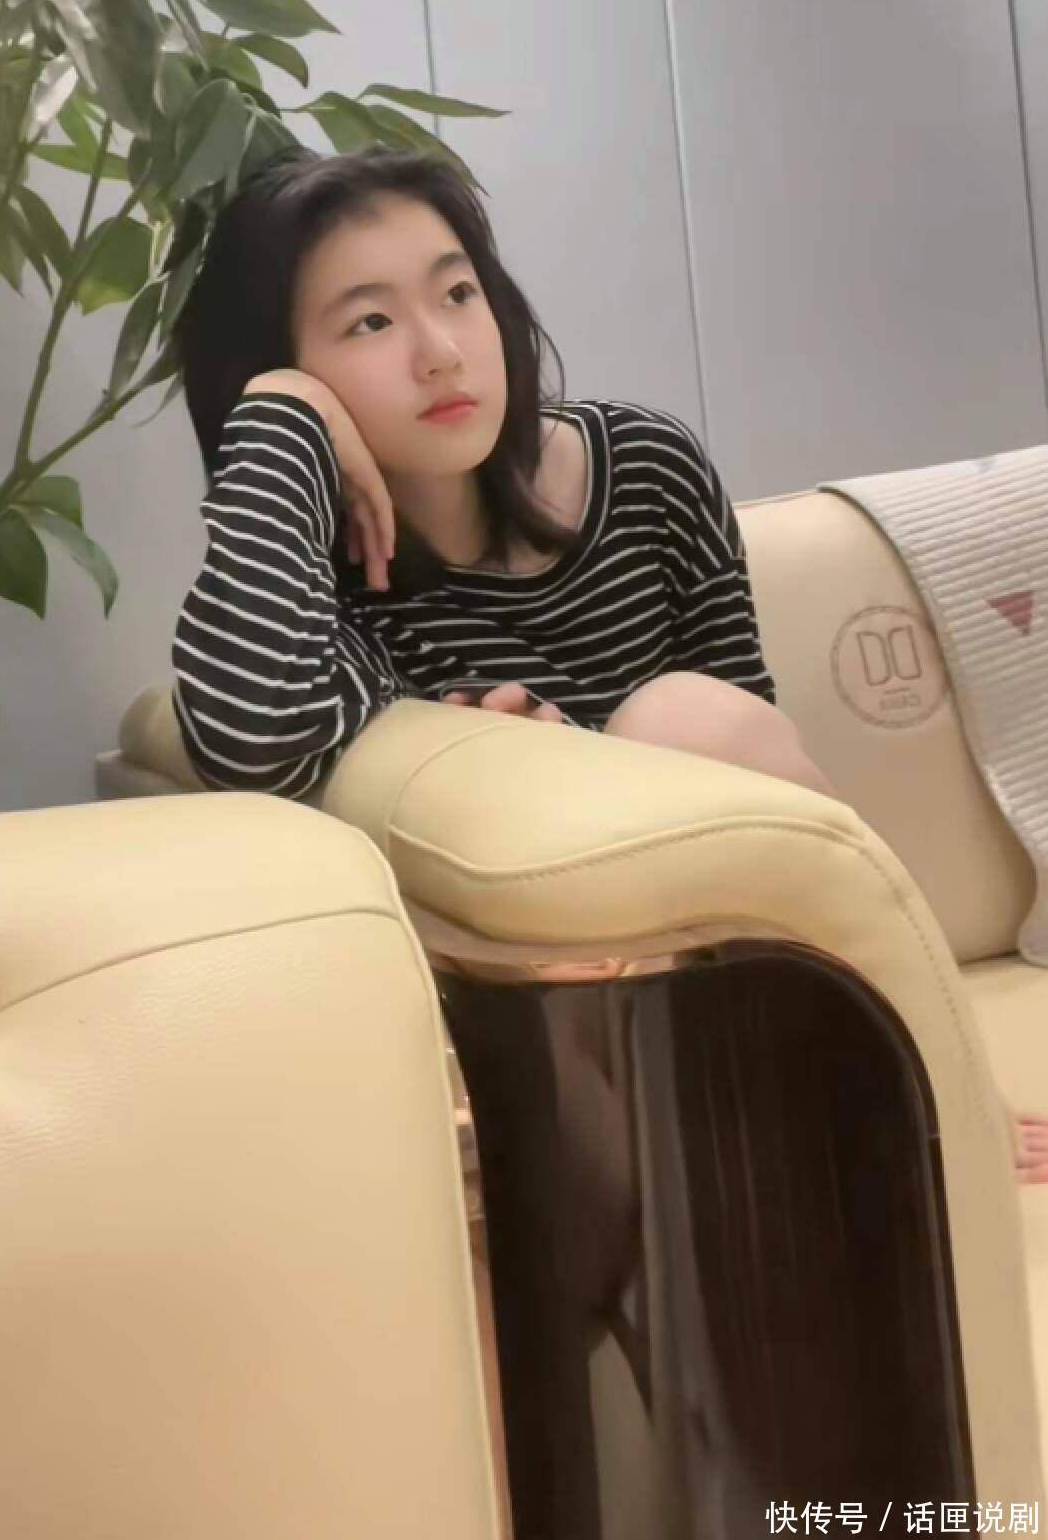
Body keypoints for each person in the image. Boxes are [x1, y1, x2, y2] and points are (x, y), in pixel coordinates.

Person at [171, 144, 1048, 1184]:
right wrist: (283, 410)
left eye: (458, 293)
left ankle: (929, 1077)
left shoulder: (646, 470)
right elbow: (249, 741)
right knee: (673, 726)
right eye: (370, 323)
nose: (442, 352)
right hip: (555, 1051)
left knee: (687, 717)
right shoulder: (322, 592)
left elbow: (760, 784)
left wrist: (586, 767)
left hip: (744, 978)